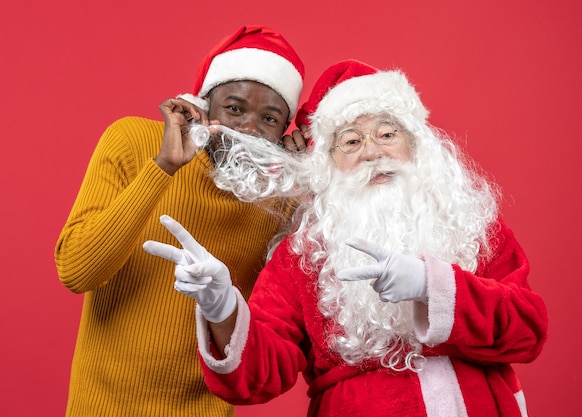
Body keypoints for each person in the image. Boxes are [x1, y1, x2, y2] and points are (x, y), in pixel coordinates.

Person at [144, 59, 549, 417]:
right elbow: (260, 377)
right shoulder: (302, 255)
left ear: (417, 144)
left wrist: (434, 287)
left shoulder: (469, 224)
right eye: (352, 141)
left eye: (388, 134)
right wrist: (222, 308)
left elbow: (528, 333)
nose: (373, 152)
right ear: (328, 164)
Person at [54, 25, 306, 417]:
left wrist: (310, 182)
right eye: (235, 108)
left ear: (282, 133)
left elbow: (277, 331)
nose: (249, 129)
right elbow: (76, 272)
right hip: (100, 406)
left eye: (269, 119)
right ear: (202, 107)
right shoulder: (133, 140)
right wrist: (164, 167)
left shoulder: (280, 200)